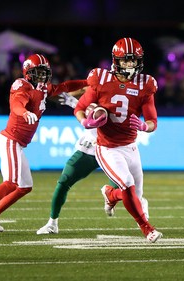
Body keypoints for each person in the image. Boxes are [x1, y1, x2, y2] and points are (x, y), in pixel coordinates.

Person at [0, 54, 88, 232]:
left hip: (18, 144)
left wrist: (86, 82)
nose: (43, 76)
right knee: (11, 183)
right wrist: (25, 113)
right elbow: (17, 104)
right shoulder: (21, 85)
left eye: (45, 72)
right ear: (28, 72)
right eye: (38, 72)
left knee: (25, 186)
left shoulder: (43, 88)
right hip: (10, 140)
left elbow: (64, 87)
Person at [74, 37, 162, 243]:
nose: (130, 65)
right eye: (126, 60)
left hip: (131, 147)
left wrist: (143, 126)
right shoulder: (100, 79)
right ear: (116, 61)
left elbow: (152, 121)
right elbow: (79, 108)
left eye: (134, 61)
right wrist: (85, 122)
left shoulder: (145, 84)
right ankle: (147, 229)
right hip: (107, 147)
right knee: (128, 185)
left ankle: (110, 194)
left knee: (136, 197)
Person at [37, 91, 123, 235]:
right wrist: (71, 100)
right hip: (89, 150)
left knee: (126, 187)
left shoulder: (121, 100)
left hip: (112, 150)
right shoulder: (96, 93)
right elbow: (81, 99)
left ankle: (140, 217)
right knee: (64, 181)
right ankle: (52, 223)